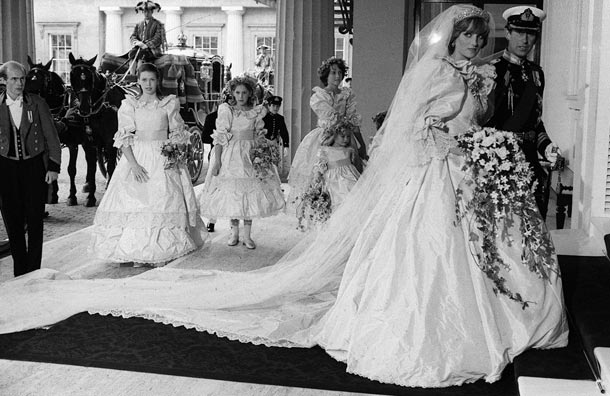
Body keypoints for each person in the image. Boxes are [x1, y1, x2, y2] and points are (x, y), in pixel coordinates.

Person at [0, 5, 567, 389]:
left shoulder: (482, 76)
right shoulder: (438, 73)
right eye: (472, 35)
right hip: (433, 175)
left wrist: (479, 144)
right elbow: (412, 127)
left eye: (479, 36)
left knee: (468, 251)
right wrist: (447, 140)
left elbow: (463, 123)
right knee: (427, 254)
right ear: (458, 37)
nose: (477, 42)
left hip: (461, 175)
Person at [90, 63, 206, 265]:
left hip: (163, 156)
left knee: (162, 200)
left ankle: (159, 251)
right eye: (144, 80)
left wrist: (174, 151)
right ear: (138, 81)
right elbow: (124, 138)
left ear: (158, 81)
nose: (148, 84)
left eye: (152, 79)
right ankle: (133, 251)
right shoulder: (130, 105)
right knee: (136, 201)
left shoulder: (168, 104)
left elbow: (178, 132)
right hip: (139, 156)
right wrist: (133, 165)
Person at [485, 6, 560, 219]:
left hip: (529, 161)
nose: (525, 40)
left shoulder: (537, 74)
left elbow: (536, 122)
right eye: (519, 32)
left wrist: (548, 147)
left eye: (531, 34)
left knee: (534, 226)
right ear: (508, 33)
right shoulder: (492, 70)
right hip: (500, 160)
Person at [197, 76, 285, 249]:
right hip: (232, 154)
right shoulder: (227, 110)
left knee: (249, 194)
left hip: (251, 154)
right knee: (235, 194)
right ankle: (234, 233)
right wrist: (216, 162)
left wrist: (263, 154)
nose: (241, 96)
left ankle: (247, 235)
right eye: (237, 92)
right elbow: (221, 137)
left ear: (250, 93)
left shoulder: (256, 112)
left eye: (244, 92)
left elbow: (259, 135)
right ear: (232, 93)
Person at [0, 61, 61, 277]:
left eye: (22, 79)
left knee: (35, 220)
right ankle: (20, 271)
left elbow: (51, 136)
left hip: (34, 167)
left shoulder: (37, 103)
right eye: (14, 79)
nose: (19, 83)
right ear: (3, 80)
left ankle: (34, 271)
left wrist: (53, 166)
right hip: (5, 169)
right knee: (13, 221)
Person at [287, 57, 366, 212]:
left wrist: (360, 143)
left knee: (349, 173)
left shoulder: (347, 94)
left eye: (340, 72)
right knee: (322, 172)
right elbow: (331, 117)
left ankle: (346, 211)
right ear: (326, 76)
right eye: (333, 73)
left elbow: (353, 120)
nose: (337, 76)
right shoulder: (319, 96)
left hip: (345, 137)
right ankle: (321, 207)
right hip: (326, 138)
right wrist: (341, 125)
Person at [313, 120, 360, 211]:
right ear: (334, 136)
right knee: (337, 200)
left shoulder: (349, 150)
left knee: (351, 197)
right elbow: (319, 164)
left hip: (349, 177)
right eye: (342, 136)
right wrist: (318, 174)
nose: (346, 139)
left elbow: (355, 164)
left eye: (348, 136)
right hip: (333, 179)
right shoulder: (325, 150)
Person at [127, 1, 166, 75]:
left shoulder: (158, 24)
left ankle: (139, 76)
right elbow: (133, 36)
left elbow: (158, 38)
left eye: (148, 12)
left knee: (141, 55)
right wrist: (136, 42)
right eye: (144, 12)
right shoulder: (139, 24)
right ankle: (132, 76)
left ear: (151, 12)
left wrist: (147, 45)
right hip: (139, 47)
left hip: (153, 50)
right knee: (132, 53)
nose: (146, 14)